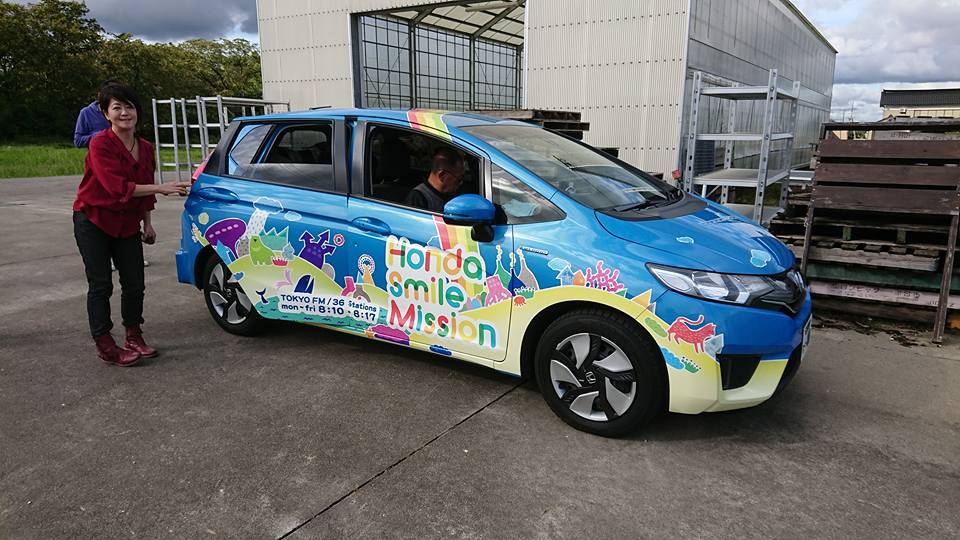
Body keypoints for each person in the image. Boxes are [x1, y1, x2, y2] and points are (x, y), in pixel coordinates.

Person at [73, 83, 190, 366]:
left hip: (127, 222)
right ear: (106, 113)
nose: (125, 113)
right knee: (101, 284)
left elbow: (144, 189)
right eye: (117, 107)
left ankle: (134, 335)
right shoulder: (100, 143)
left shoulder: (146, 147)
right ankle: (105, 344)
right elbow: (117, 187)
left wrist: (147, 224)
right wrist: (161, 187)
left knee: (135, 282)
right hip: (94, 219)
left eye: (130, 107)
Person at [404, 147, 466, 213]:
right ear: (442, 175)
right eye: (458, 179)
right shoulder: (417, 198)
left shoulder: (453, 194)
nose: (461, 183)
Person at [74, 80, 116, 148]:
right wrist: (99, 136)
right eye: (108, 95)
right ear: (99, 95)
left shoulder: (124, 113)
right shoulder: (86, 112)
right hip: (98, 153)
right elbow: (78, 141)